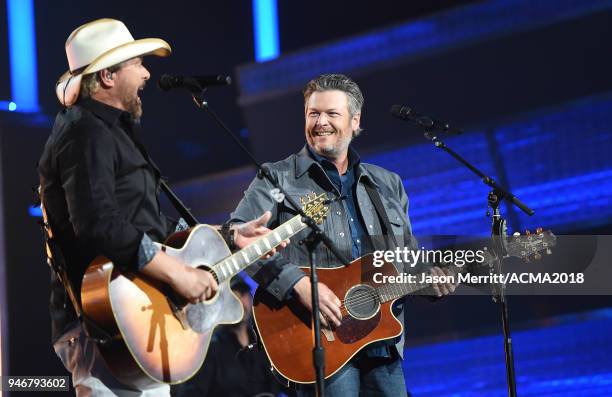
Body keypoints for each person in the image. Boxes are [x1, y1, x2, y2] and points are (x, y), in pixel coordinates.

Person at [38, 18, 279, 396]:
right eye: (137, 64)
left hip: (138, 314)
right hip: (106, 320)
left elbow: (146, 224)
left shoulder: (112, 132)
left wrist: (229, 236)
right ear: (107, 77)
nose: (147, 74)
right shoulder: (82, 130)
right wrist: (177, 274)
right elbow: (98, 223)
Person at [230, 74, 456, 396]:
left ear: (354, 120)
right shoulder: (276, 178)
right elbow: (238, 239)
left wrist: (431, 280)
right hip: (318, 340)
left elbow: (404, 260)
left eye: (331, 114)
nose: (320, 122)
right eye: (313, 114)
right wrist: (299, 285)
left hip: (382, 343)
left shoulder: (387, 184)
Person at [172, 276, 293, 397]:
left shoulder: (265, 344)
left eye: (242, 294)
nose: (239, 302)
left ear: (250, 299)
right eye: (233, 297)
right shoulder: (210, 349)